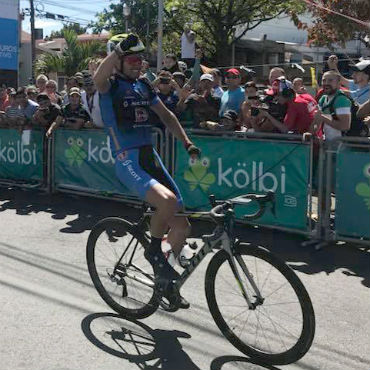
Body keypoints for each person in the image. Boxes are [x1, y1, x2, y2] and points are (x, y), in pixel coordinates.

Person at [94, 33, 201, 307]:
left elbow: (166, 115)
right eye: (130, 58)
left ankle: (164, 279)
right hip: (127, 158)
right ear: (117, 59)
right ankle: (153, 252)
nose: (137, 63)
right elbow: (97, 78)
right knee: (167, 202)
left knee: (182, 225)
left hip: (149, 156)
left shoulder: (143, 85)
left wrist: (187, 142)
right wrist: (117, 52)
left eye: (140, 59)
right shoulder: (110, 85)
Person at [312, 71, 351, 141]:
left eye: (330, 80)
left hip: (344, 147)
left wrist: (322, 117)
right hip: (329, 144)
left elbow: (344, 126)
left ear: (339, 84)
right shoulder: (323, 99)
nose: (326, 83)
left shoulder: (341, 99)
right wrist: (310, 133)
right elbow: (317, 123)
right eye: (324, 80)